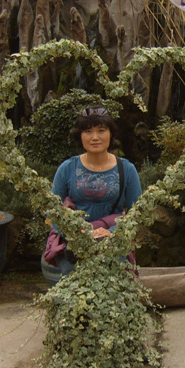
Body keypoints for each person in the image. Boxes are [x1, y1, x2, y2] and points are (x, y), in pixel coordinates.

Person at [47, 105, 142, 275]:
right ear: (80, 135)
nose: (95, 137)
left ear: (111, 134)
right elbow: (52, 211)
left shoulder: (127, 170)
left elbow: (138, 214)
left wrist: (112, 233)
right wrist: (75, 232)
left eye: (101, 130)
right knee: (75, 286)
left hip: (113, 241)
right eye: (88, 131)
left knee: (110, 283)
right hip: (74, 242)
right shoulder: (67, 168)